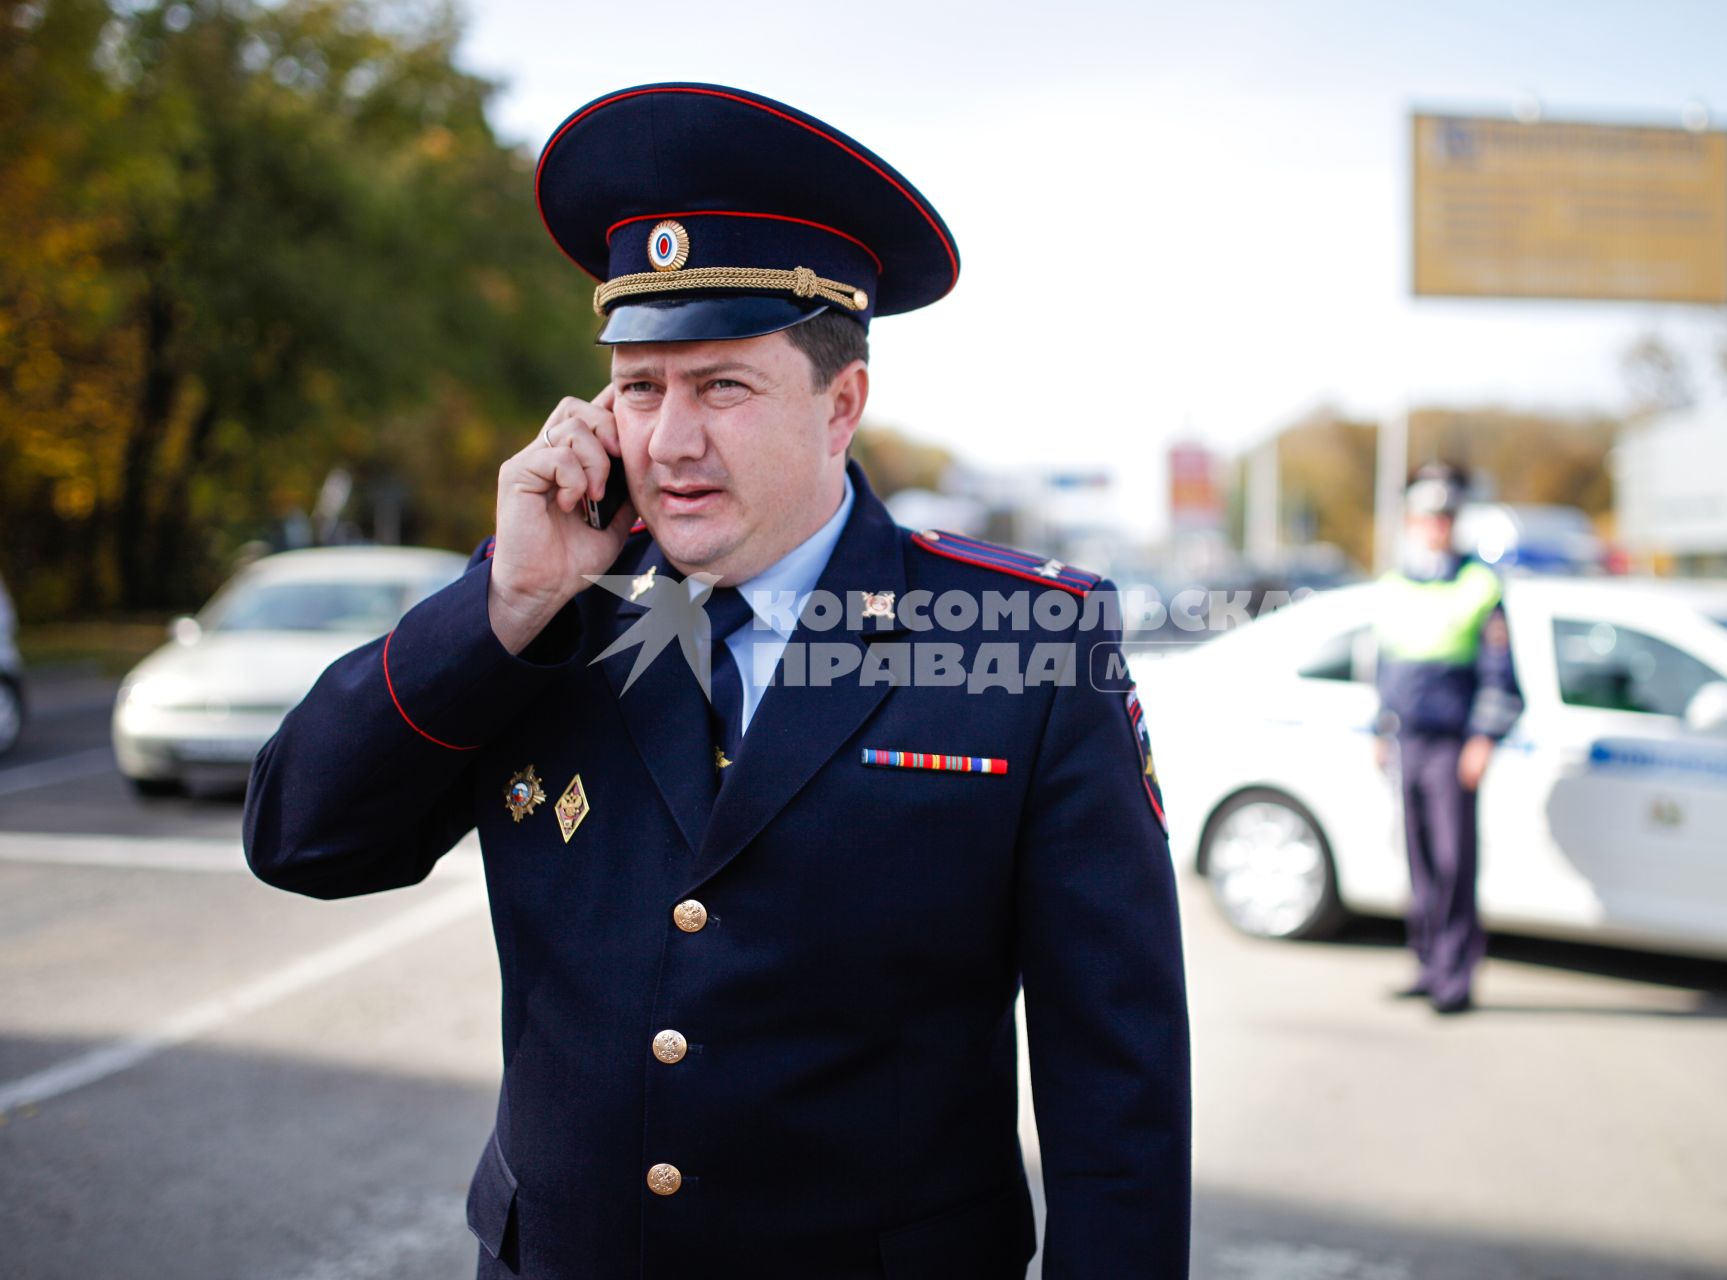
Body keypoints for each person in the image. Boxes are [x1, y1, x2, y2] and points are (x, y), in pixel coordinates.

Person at [242, 82, 1190, 1278]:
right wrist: (503, 608)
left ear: (840, 402)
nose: (670, 442)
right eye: (641, 387)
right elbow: (301, 837)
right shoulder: (551, 604)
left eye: (722, 387)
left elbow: (1119, 1081)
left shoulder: (1024, 639)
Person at [1371, 461, 1521, 1016]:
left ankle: (1455, 977)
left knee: (1455, 861)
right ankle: (1427, 962)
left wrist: (1483, 738)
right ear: (1412, 519)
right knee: (1417, 858)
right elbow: (1387, 665)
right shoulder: (1394, 583)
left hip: (1453, 744)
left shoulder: (1479, 584)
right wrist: (1380, 729)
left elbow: (1500, 675)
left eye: (1445, 517)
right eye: (1427, 516)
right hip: (1407, 740)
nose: (1436, 526)